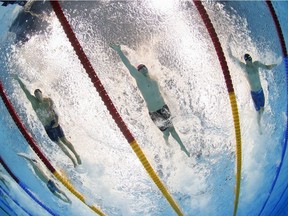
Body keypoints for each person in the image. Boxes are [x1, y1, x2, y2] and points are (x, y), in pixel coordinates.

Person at [110, 44, 190, 157]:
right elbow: (129, 66)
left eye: (144, 66)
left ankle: (182, 147)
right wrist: (119, 51)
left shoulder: (154, 79)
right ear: (138, 72)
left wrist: (171, 103)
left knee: (172, 129)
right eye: (140, 68)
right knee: (166, 132)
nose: (143, 68)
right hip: (154, 112)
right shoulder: (140, 79)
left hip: (163, 107)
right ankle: (166, 139)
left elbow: (162, 93)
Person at [14, 76, 81, 167]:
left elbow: (55, 112)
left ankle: (76, 155)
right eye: (36, 95)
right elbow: (25, 90)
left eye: (39, 94)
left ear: (42, 94)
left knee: (64, 140)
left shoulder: (48, 101)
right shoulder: (34, 102)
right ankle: (72, 159)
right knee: (59, 144)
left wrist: (57, 122)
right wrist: (18, 79)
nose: (38, 96)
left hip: (54, 123)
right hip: (47, 127)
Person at [227, 46, 277, 132]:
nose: (250, 60)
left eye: (250, 58)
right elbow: (231, 57)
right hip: (254, 94)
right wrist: (228, 47)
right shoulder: (244, 67)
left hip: (261, 91)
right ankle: (259, 126)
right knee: (259, 111)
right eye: (248, 59)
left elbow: (268, 67)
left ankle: (259, 122)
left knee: (263, 109)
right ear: (245, 61)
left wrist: (276, 64)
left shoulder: (256, 64)